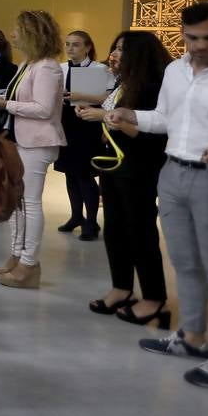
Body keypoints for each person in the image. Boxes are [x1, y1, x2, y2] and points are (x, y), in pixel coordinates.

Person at [107, 1, 208, 389]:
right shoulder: (174, 71)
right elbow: (166, 119)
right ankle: (192, 337)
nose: (200, 45)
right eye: (192, 37)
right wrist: (131, 115)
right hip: (174, 174)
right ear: (182, 34)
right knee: (184, 264)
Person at [75, 32, 171, 326]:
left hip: (139, 167)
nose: (115, 54)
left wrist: (105, 117)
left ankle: (154, 297)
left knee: (140, 230)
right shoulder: (123, 82)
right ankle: (122, 287)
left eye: (121, 49)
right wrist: (101, 115)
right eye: (114, 47)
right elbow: (115, 117)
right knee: (115, 227)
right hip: (115, 164)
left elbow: (151, 134)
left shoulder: (154, 86)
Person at [0, 10, 66, 289]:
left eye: (17, 30)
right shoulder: (29, 64)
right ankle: (17, 254)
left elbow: (44, 109)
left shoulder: (47, 66)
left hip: (38, 141)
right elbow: (17, 98)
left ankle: (29, 264)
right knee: (17, 202)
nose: (12, 35)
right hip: (21, 140)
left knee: (30, 203)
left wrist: (4, 105)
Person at [56, 30, 105, 240]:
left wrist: (81, 95)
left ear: (87, 47)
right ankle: (76, 216)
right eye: (67, 44)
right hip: (66, 123)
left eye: (75, 45)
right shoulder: (61, 68)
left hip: (87, 124)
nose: (70, 48)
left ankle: (92, 221)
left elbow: (107, 98)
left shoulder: (99, 68)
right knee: (69, 174)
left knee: (85, 175)